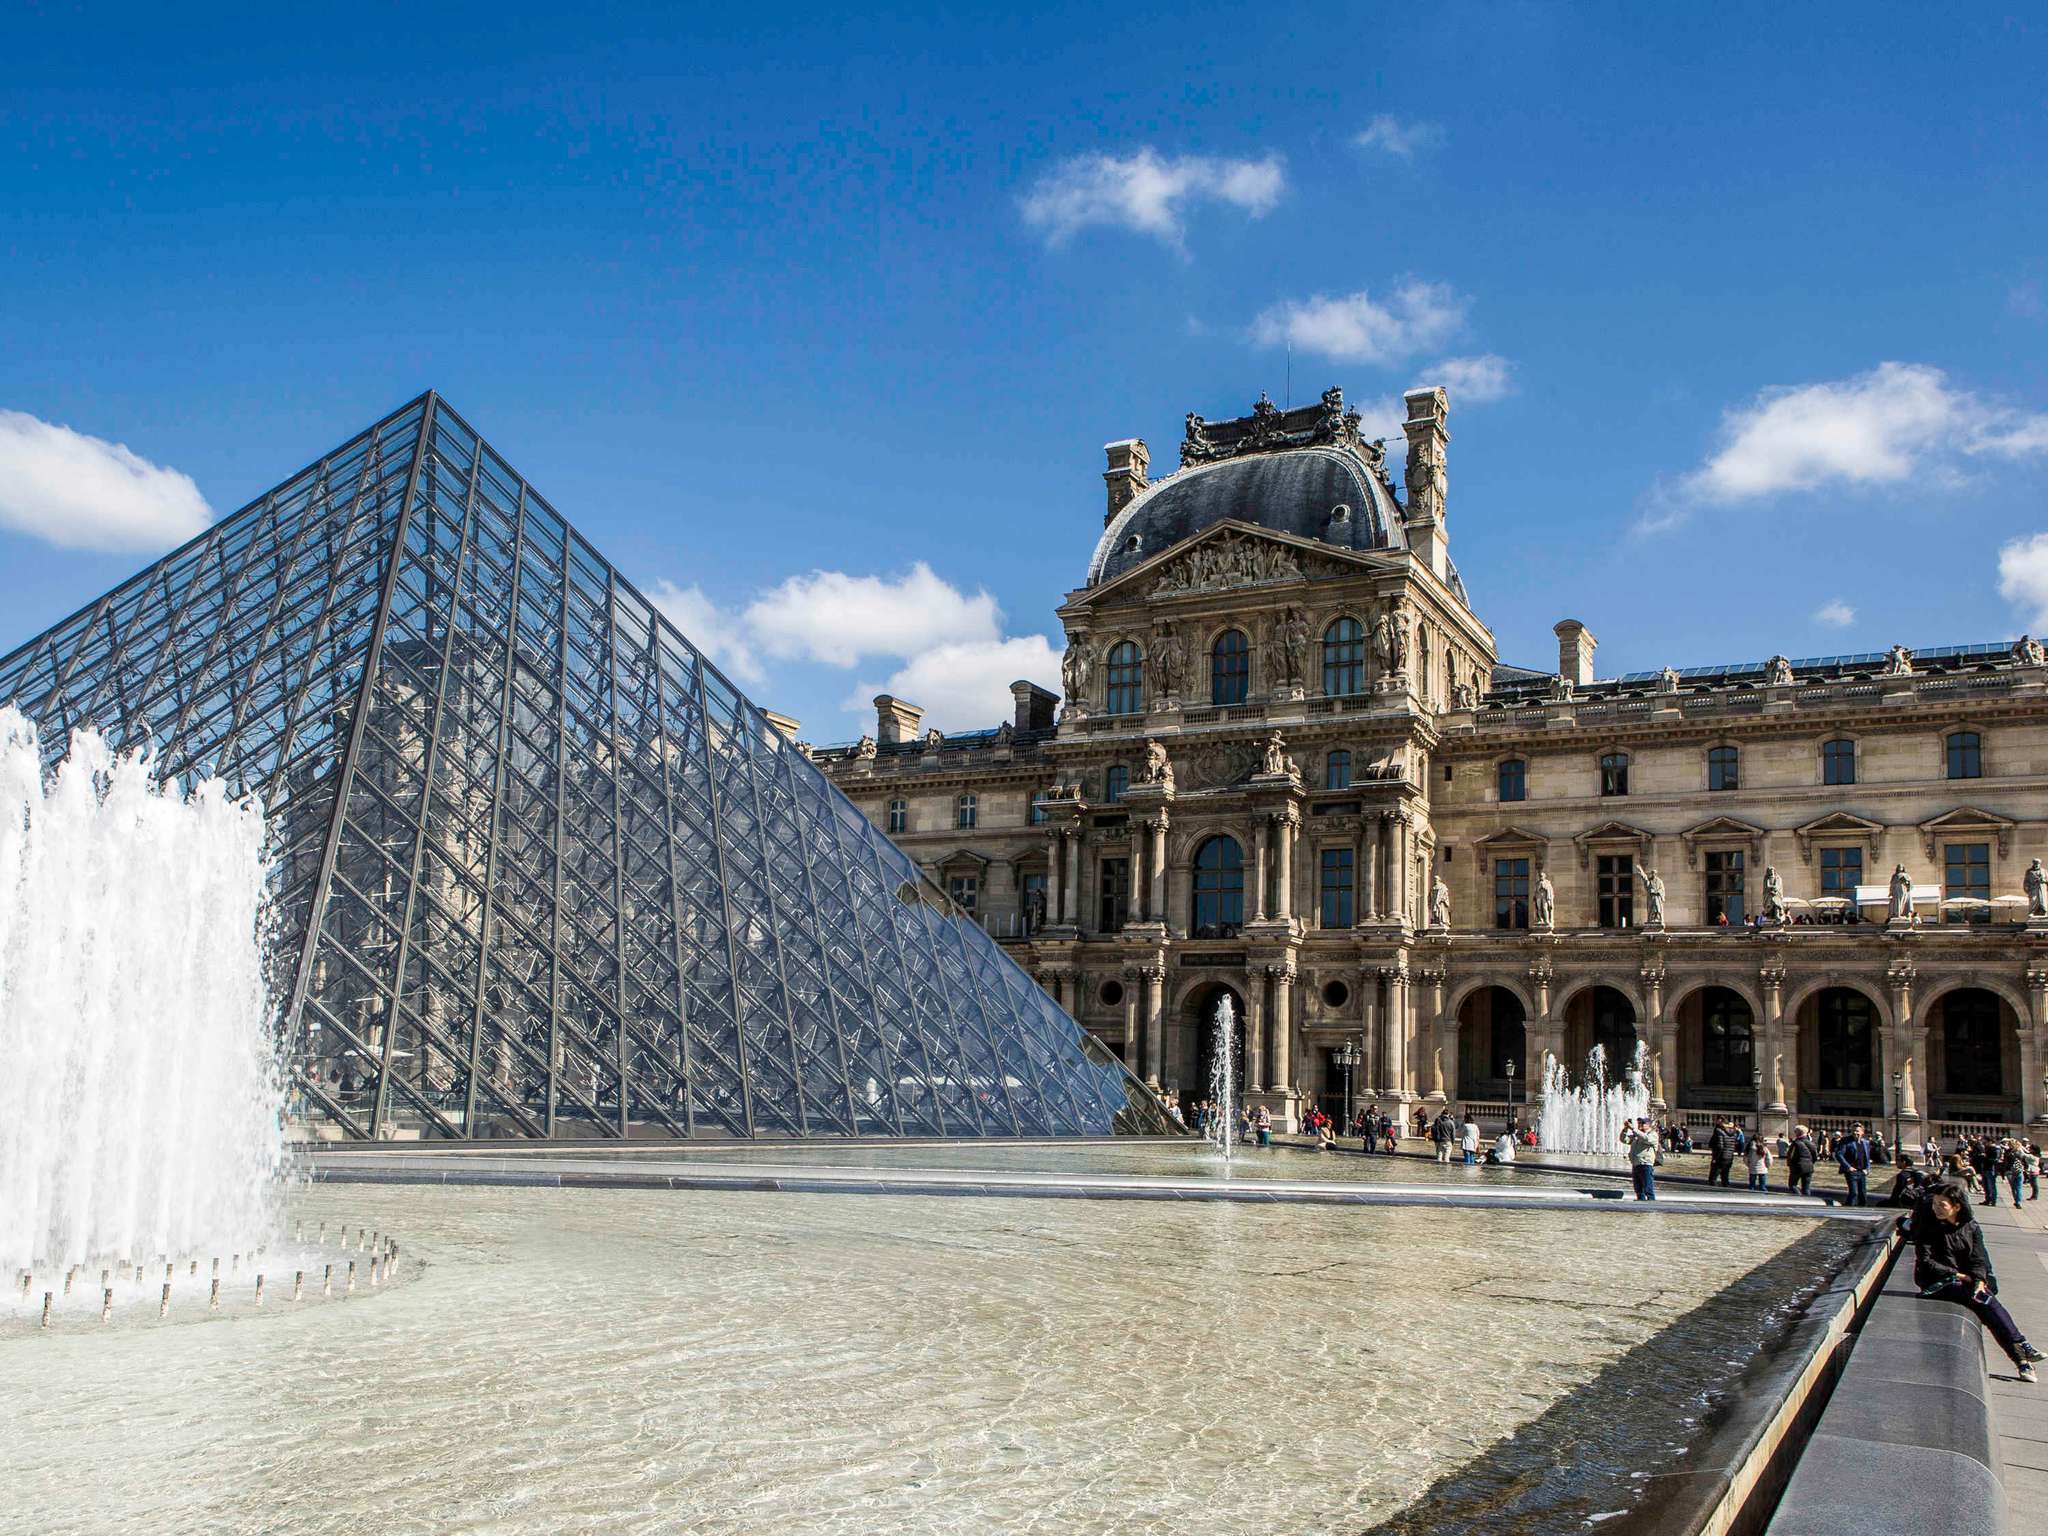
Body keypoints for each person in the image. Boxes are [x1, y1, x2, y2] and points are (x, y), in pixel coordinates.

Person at [1907, 1181, 2045, 1381]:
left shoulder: (1971, 1227)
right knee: (1983, 1301)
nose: (1936, 1208)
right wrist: (1960, 1275)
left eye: (1941, 1205)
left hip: (1967, 1281)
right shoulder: (1928, 1226)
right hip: (1936, 1282)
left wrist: (1979, 1279)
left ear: (1957, 1206)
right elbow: (1926, 1261)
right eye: (1935, 1204)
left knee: (1982, 1299)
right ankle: (2022, 1353)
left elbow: (1979, 1258)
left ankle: (2022, 1360)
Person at [1836, 1122, 1872, 1206]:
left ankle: (1863, 1211)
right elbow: (1839, 1154)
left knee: (1863, 1194)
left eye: (1857, 1131)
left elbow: (1867, 1157)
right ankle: (1848, 1209)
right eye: (1853, 1131)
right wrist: (1848, 1167)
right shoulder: (1845, 1141)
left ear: (1862, 1132)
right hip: (1851, 1171)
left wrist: (1868, 1169)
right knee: (1854, 1193)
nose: (1855, 1133)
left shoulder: (1865, 1142)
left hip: (1862, 1171)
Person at [1624, 1117, 1659, 1200]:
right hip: (1636, 1163)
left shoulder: (1652, 1134)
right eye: (1639, 1123)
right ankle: (1640, 1205)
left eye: (1642, 1123)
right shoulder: (1637, 1135)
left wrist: (1633, 1128)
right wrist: (1625, 1129)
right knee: (1638, 1189)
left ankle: (1651, 1204)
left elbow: (1646, 1138)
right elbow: (1624, 1140)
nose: (1640, 1124)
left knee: (1648, 1188)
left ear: (1648, 1125)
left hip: (1645, 1164)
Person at [1785, 1125, 1818, 1197]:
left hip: (1797, 1166)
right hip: (1809, 1167)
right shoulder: (1811, 1143)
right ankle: (1808, 1201)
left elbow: (1790, 1156)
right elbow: (1815, 1156)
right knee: (1806, 1187)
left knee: (1792, 1185)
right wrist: (1811, 1163)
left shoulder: (1795, 1143)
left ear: (1797, 1133)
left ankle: (1799, 1198)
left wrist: (1790, 1164)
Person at [1971, 1136, 2001, 1207]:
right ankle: (1987, 1200)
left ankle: (1993, 1201)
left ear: (1990, 1141)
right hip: (1985, 1168)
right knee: (1986, 1186)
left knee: (1992, 1186)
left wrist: (1985, 1157)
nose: (1984, 1144)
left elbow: (1995, 1160)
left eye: (1985, 1142)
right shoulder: (1988, 1148)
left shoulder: (1995, 1149)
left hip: (1991, 1169)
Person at [1707, 1119, 1736, 1187]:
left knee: (1713, 1178)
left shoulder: (1719, 1132)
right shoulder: (1733, 1133)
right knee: (1725, 1177)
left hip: (1720, 1157)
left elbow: (1720, 1147)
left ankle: (1712, 1193)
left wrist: (1715, 1158)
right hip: (1729, 1157)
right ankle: (1726, 1192)